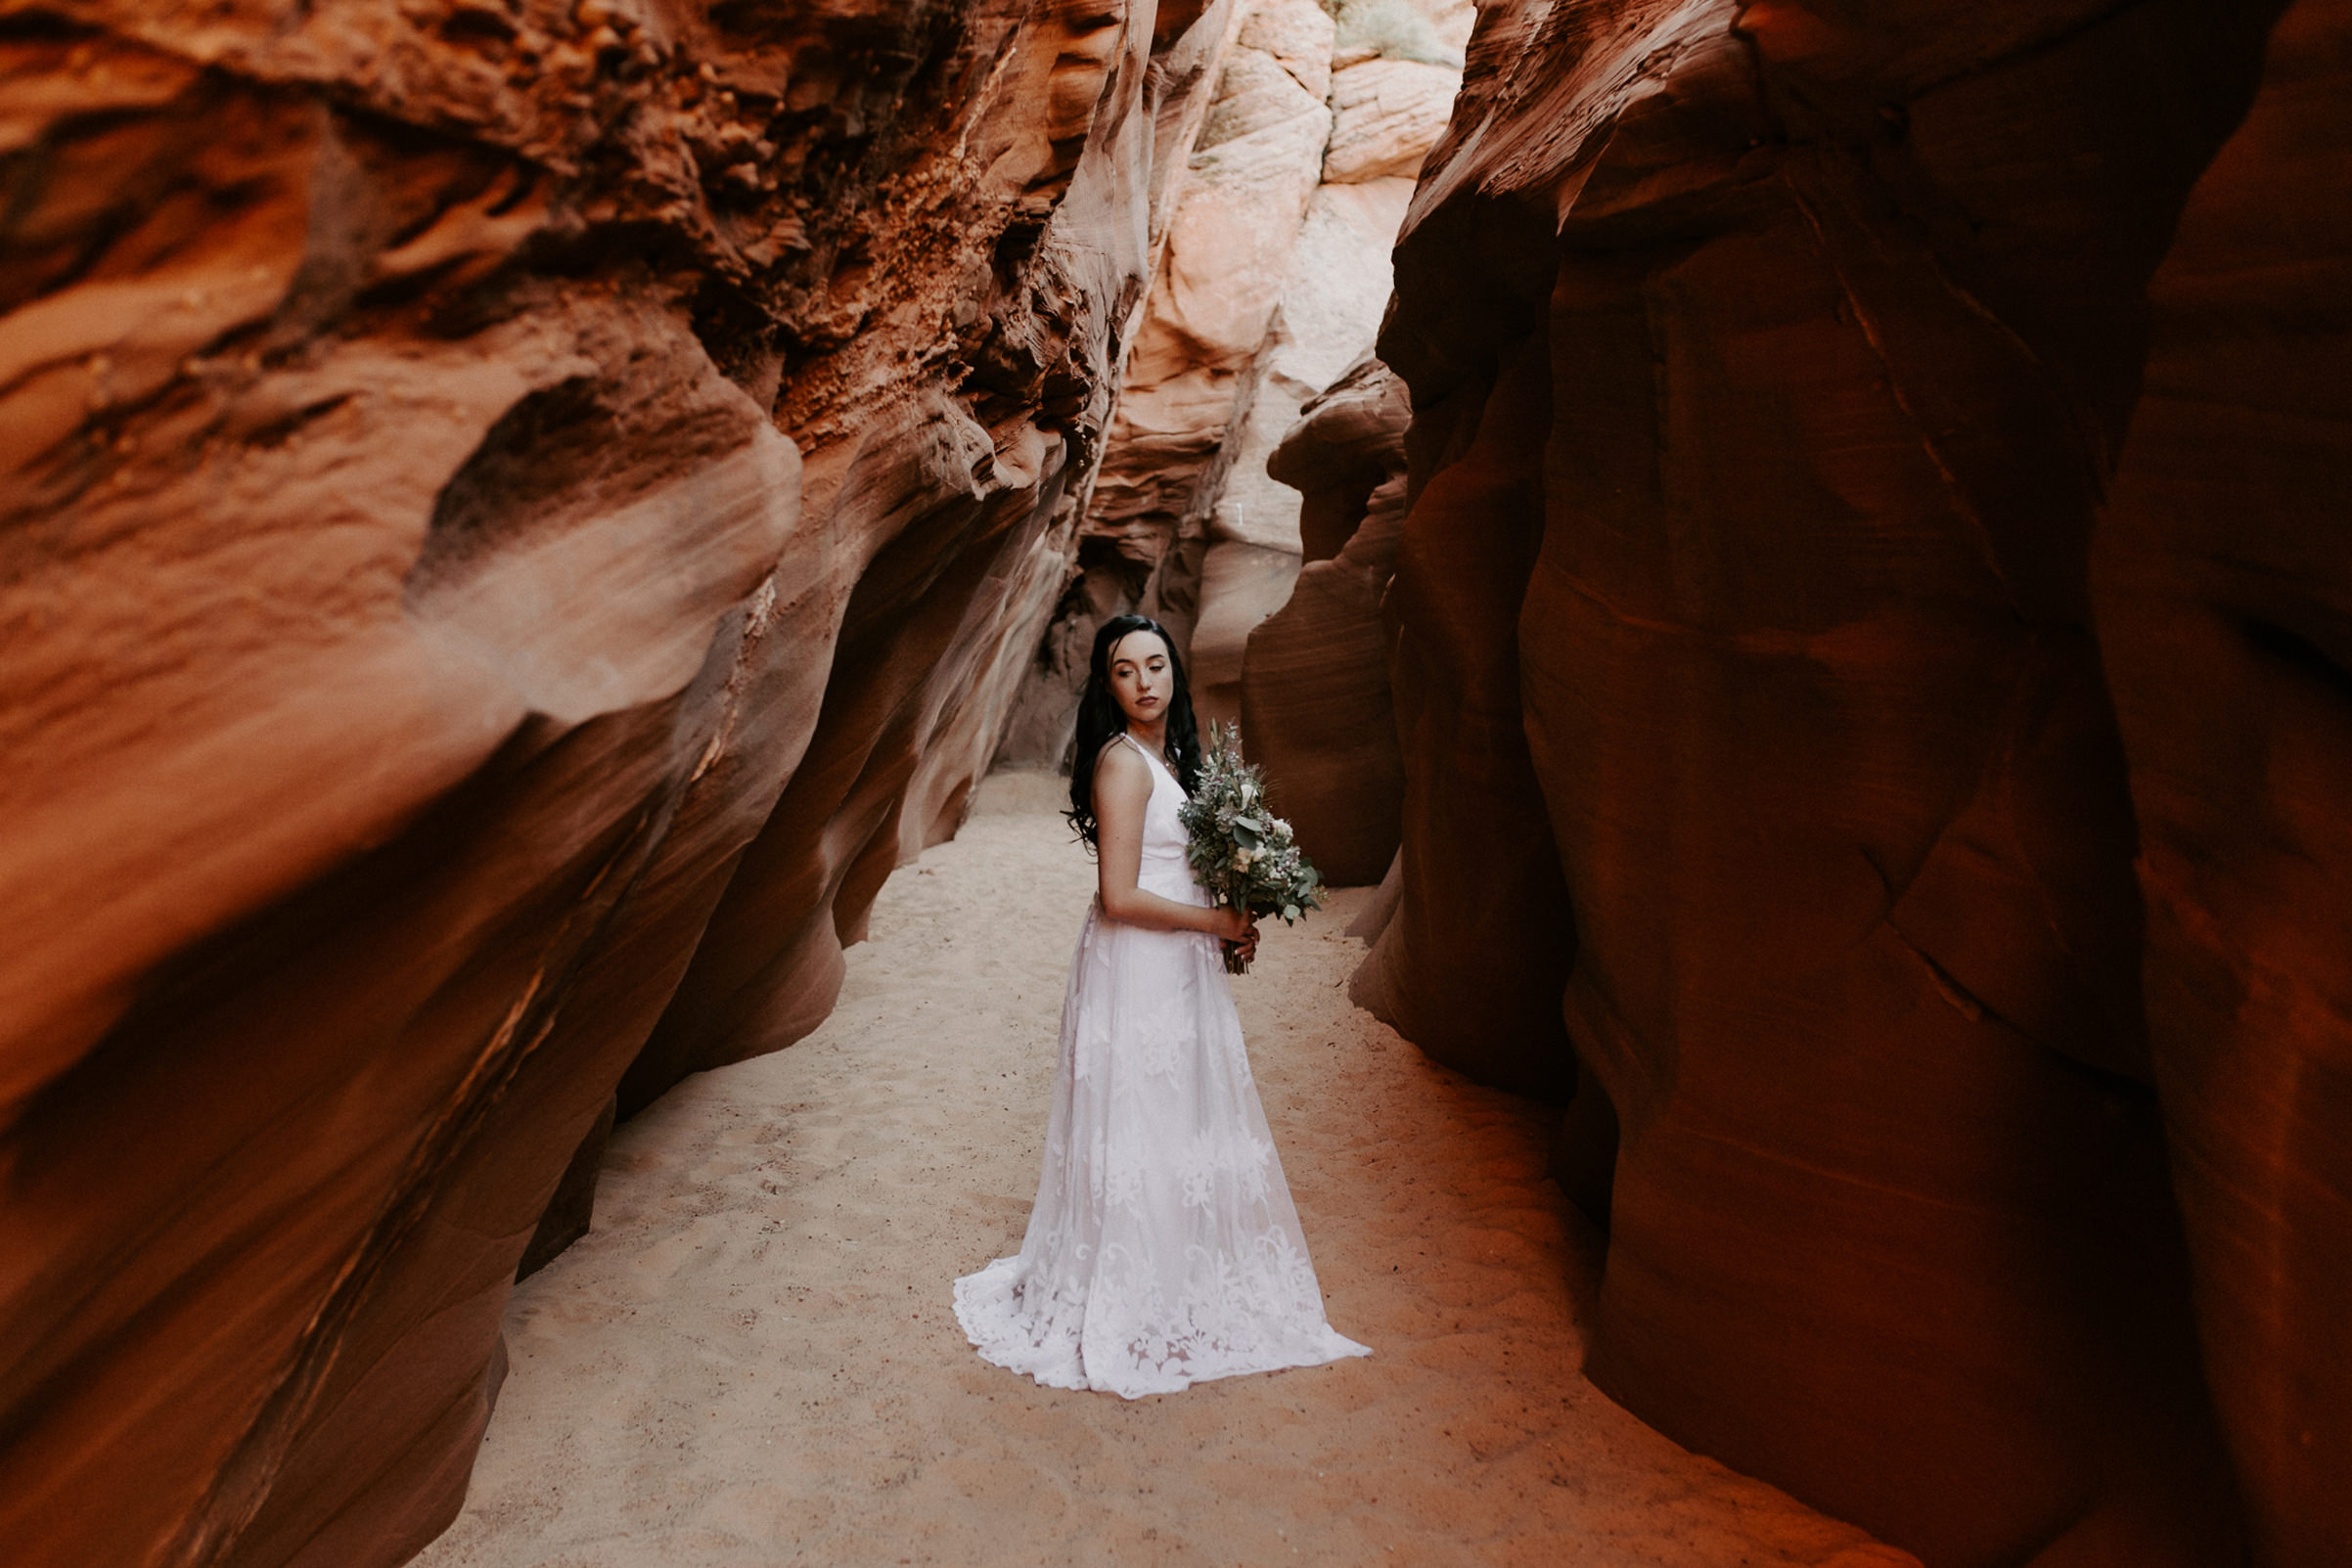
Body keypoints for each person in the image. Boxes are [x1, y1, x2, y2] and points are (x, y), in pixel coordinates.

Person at [953, 615, 1371, 1397]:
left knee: (1177, 1117)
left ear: (1174, 672)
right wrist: (1215, 920)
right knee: (1141, 1117)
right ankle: (1132, 1290)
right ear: (1106, 686)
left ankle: (1175, 1273)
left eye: (1156, 664)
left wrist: (1232, 921)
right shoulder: (1122, 764)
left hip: (1177, 959)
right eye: (1125, 670)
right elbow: (1116, 895)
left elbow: (1184, 865)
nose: (1145, 681)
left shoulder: (1171, 754)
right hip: (1136, 965)